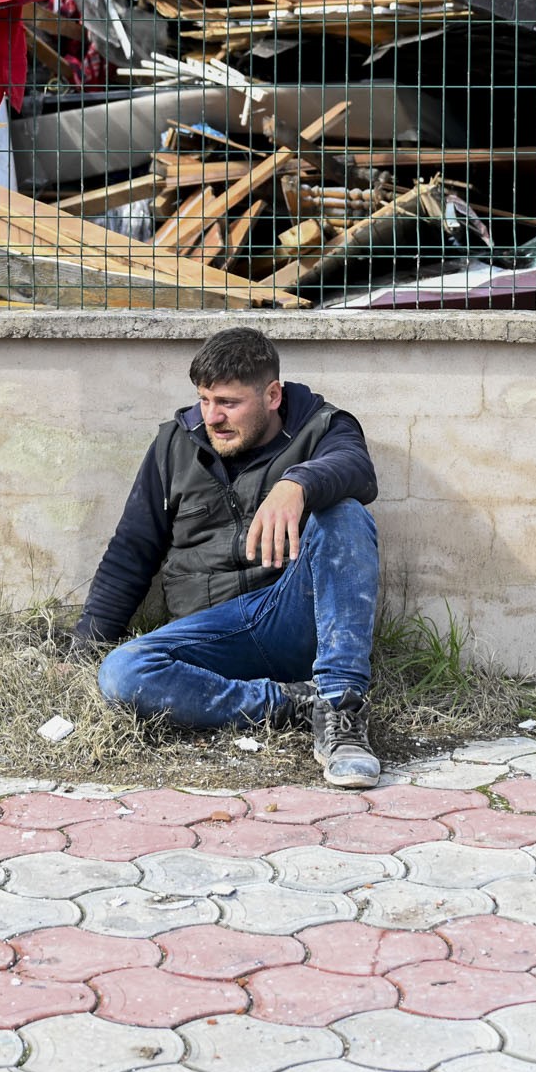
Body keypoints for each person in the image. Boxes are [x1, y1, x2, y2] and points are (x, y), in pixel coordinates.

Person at [77, 326, 381, 786]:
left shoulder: (323, 426)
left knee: (345, 513)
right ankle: (294, 703)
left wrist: (297, 483)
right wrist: (88, 642)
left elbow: (356, 469)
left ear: (273, 395)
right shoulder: (175, 444)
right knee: (123, 672)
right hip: (211, 636)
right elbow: (132, 549)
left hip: (285, 613)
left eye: (229, 403)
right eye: (204, 400)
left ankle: (341, 711)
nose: (212, 417)